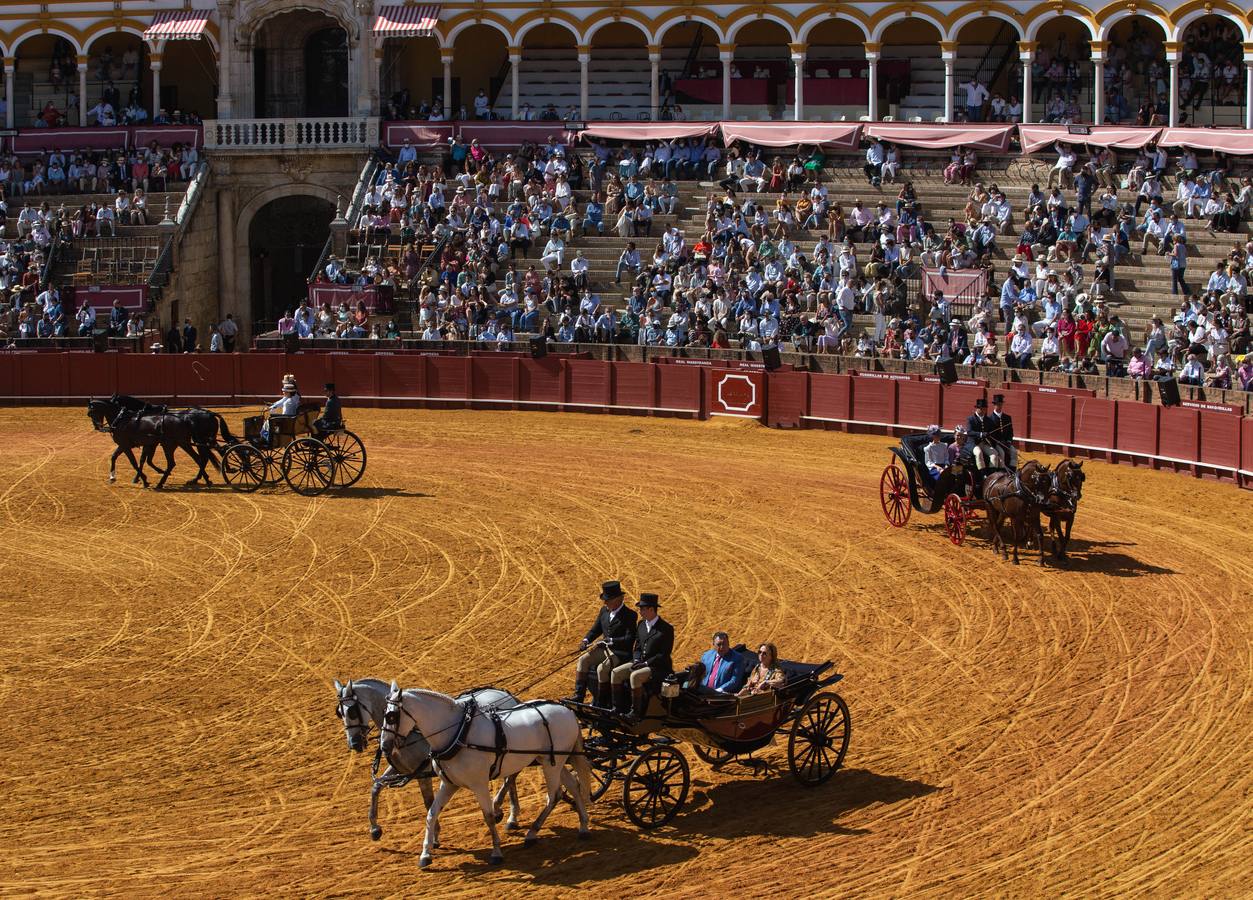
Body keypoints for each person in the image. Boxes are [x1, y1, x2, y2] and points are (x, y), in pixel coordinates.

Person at [569, 581, 638, 708]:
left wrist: (610, 640)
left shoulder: (630, 615)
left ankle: (601, 701)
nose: (605, 603)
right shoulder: (604, 612)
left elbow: (629, 638)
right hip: (604, 649)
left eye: (608, 600)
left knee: (602, 669)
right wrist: (586, 640)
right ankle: (579, 696)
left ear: (618, 599)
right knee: (583, 660)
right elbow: (596, 629)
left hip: (620, 652)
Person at [610, 592, 673, 721]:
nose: (640, 612)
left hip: (657, 667)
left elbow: (663, 654)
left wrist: (645, 664)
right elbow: (637, 646)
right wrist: (637, 659)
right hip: (640, 662)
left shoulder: (666, 628)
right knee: (616, 673)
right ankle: (618, 708)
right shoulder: (641, 625)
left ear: (651, 609)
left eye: (643, 609)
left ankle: (636, 713)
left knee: (635, 676)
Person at [262, 375, 301, 442]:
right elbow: (283, 400)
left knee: (268, 422)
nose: (283, 392)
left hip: (287, 422)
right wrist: (272, 405)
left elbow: (285, 413)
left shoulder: (289, 401)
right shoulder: (295, 396)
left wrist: (272, 412)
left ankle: (265, 439)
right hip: (293, 419)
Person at [966, 397, 1001, 469]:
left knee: (994, 454)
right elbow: (969, 432)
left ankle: (992, 474)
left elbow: (991, 432)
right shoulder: (971, 419)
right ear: (977, 408)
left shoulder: (988, 420)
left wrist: (989, 435)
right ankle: (983, 473)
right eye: (981, 409)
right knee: (978, 453)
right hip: (973, 443)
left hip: (984, 443)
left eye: (984, 409)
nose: (983, 411)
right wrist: (981, 434)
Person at [989, 394, 1016, 468]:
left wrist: (1009, 441)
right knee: (1001, 453)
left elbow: (1010, 431)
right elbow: (990, 435)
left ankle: (1012, 471)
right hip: (996, 443)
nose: (999, 406)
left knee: (1014, 452)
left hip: (1006, 442)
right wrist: (997, 442)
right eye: (997, 404)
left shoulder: (1007, 418)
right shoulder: (989, 418)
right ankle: (1002, 472)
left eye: (1000, 404)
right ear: (994, 405)